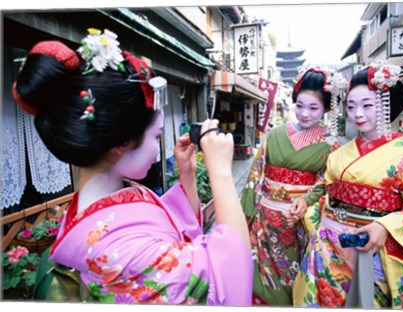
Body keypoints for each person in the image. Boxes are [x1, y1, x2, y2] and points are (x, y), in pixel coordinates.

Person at [11, 28, 252, 305]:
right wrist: (221, 173)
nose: (158, 147)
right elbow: (228, 271)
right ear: (121, 143)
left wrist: (186, 175)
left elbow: (164, 227)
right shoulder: (119, 252)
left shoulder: (111, 196)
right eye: (157, 136)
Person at [292, 61, 403, 309]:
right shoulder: (341, 152)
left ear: (386, 106)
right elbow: (325, 188)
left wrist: (385, 226)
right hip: (329, 244)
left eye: (367, 105)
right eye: (351, 106)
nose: (357, 114)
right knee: (319, 298)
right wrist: (306, 200)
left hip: (374, 248)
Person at [240, 68, 343, 305]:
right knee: (260, 276)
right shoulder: (274, 135)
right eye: (300, 105)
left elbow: (328, 183)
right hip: (265, 221)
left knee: (297, 277)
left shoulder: (331, 145)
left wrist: (307, 202)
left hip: (300, 222)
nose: (304, 113)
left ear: (326, 108)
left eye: (313, 108)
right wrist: (245, 217)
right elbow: (255, 176)